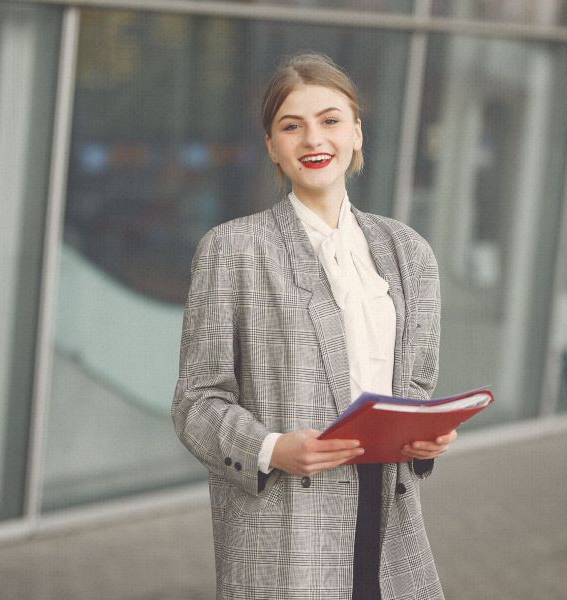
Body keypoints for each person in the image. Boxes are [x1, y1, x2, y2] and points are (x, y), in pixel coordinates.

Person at [172, 52, 456, 600]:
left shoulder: (408, 253)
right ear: (272, 147)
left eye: (329, 120)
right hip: (286, 527)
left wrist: (424, 438)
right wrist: (271, 448)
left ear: (356, 132)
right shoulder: (233, 251)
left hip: (388, 521)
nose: (312, 139)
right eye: (291, 126)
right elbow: (196, 404)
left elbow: (417, 386)